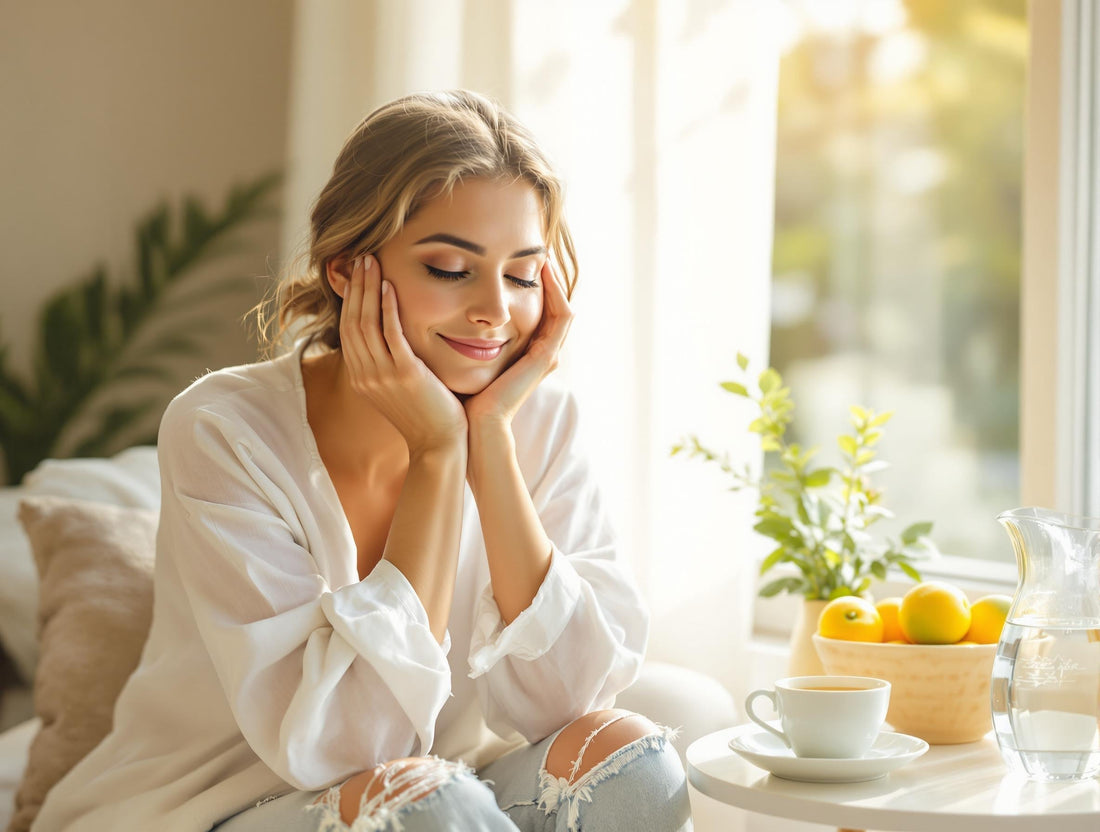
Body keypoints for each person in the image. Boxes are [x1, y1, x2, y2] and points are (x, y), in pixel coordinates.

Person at [31, 90, 691, 832]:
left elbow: (570, 704)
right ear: (347, 271)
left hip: (454, 793)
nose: (496, 312)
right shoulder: (225, 428)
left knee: (631, 759)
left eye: (523, 275)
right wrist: (439, 453)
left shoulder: (538, 422)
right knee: (426, 810)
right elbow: (356, 746)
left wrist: (492, 445)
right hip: (220, 806)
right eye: (451, 268)